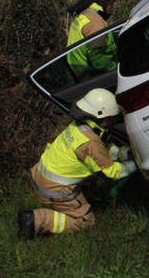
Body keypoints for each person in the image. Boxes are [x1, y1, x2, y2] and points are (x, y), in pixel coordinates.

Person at [17, 88, 136, 239]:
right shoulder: (89, 141)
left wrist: (124, 153)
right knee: (85, 222)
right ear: (103, 117)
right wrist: (136, 164)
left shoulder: (78, 127)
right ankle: (36, 219)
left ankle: (73, 202)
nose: (113, 122)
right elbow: (109, 172)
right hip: (55, 189)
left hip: (40, 178)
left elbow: (100, 151)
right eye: (112, 118)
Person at [66, 0, 123, 77]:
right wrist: (115, 70)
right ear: (102, 0)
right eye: (111, 2)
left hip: (76, 70)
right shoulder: (95, 21)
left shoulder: (85, 13)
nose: (113, 5)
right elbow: (97, 58)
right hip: (88, 75)